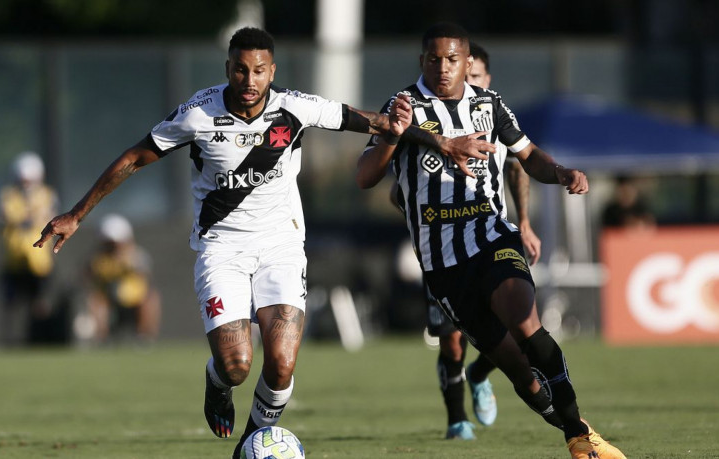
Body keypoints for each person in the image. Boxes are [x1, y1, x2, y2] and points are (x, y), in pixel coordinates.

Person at [34, 27, 488, 458]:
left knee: (283, 363)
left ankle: (249, 445)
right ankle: (218, 382)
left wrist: (440, 143)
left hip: (282, 247)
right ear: (228, 67)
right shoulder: (199, 112)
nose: (249, 81)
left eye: (259, 71)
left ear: (272, 71)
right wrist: (77, 213)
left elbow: (370, 121)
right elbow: (136, 155)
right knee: (236, 364)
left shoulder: (294, 108)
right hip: (221, 250)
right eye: (239, 70)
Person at [356, 23, 625, 459]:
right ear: (421, 61)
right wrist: (394, 134)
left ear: (468, 63)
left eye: (452, 60)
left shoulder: (489, 104)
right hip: (442, 261)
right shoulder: (402, 106)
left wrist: (561, 173)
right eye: (434, 59)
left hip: (491, 234)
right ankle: (563, 420)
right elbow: (365, 176)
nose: (443, 68)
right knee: (521, 373)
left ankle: (579, 439)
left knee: (525, 321)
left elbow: (527, 156)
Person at [412, 41, 544, 440]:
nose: (459, 79)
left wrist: (524, 221)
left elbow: (520, 167)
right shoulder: (428, 121)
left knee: (515, 326)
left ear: (484, 78)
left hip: (490, 237)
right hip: (442, 245)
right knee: (451, 339)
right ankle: (456, 419)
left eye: (471, 75)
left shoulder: (493, 116)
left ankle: (481, 374)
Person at [0, 151, 59, 345]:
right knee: (11, 303)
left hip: (39, 261)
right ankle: (11, 340)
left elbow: (49, 213)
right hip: (14, 259)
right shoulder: (9, 196)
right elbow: (6, 215)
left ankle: (41, 338)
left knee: (40, 302)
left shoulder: (47, 195)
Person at [85, 214, 161, 343]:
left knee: (151, 299)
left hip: (134, 299)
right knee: (96, 301)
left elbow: (146, 277)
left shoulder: (137, 256)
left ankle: (145, 337)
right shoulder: (97, 259)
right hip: (108, 299)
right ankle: (102, 338)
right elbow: (86, 278)